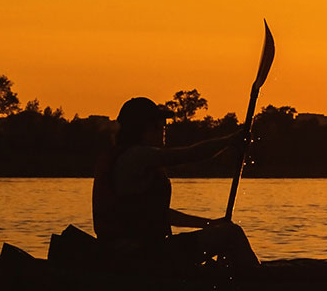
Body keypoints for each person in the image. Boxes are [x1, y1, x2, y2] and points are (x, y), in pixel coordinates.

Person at [92, 97, 259, 269]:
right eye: (161, 123)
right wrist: (231, 140)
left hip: (138, 253)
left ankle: (238, 277)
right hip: (141, 256)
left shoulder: (124, 157)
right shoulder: (137, 156)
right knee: (231, 234)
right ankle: (258, 283)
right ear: (147, 127)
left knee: (222, 234)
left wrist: (209, 224)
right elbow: (189, 155)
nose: (164, 128)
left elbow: (159, 214)